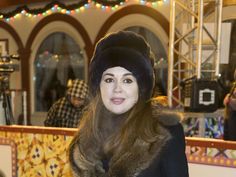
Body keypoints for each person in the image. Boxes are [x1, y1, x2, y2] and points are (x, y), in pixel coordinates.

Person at [69, 31, 189, 177]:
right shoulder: (85, 139)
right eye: (109, 80)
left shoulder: (164, 131)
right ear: (98, 86)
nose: (117, 89)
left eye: (127, 80)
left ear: (141, 87)